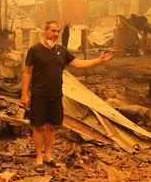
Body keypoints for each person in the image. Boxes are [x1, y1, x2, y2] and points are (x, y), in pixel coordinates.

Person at [21, 20, 115, 167]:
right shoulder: (35, 50)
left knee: (52, 126)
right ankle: (39, 157)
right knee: (38, 127)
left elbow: (78, 64)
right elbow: (27, 73)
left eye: (58, 31)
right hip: (39, 95)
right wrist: (25, 94)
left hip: (56, 95)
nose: (56, 34)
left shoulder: (62, 50)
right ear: (45, 31)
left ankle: (48, 155)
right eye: (53, 31)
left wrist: (100, 60)